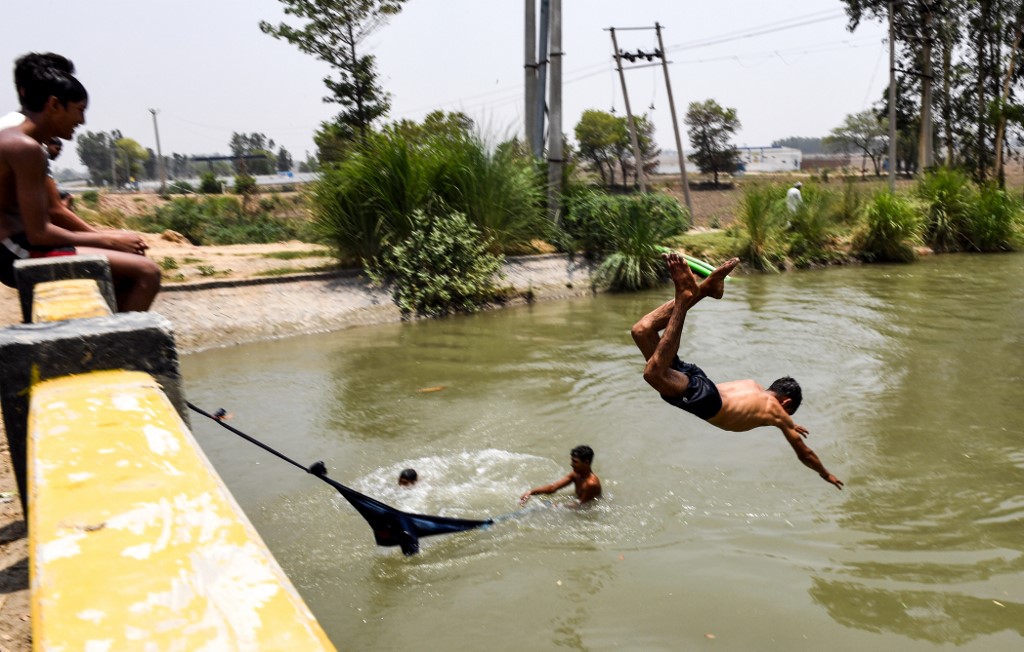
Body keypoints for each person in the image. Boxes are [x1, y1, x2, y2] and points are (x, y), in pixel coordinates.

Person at [630, 253, 843, 490]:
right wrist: (825, 473)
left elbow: (760, 412)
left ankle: (706, 289)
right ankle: (684, 298)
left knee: (642, 330)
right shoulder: (775, 411)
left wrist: (790, 424)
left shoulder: (754, 386)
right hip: (706, 401)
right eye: (789, 412)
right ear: (786, 402)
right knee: (653, 375)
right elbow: (804, 453)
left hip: (701, 380)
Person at [0, 55, 160, 311]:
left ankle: (101, 335)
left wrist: (108, 238)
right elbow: (39, 233)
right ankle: (109, 348)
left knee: (127, 261)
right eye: (79, 109)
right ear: (54, 105)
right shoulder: (25, 148)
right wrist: (108, 240)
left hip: (19, 245)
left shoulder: (22, 141)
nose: (82, 121)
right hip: (14, 252)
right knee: (147, 273)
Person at [520, 445, 602, 506]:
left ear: (586, 462)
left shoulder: (591, 484)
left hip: (589, 509)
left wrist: (558, 506)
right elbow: (553, 488)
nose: (571, 464)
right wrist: (531, 492)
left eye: (575, 462)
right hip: (578, 501)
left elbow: (581, 505)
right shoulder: (575, 475)